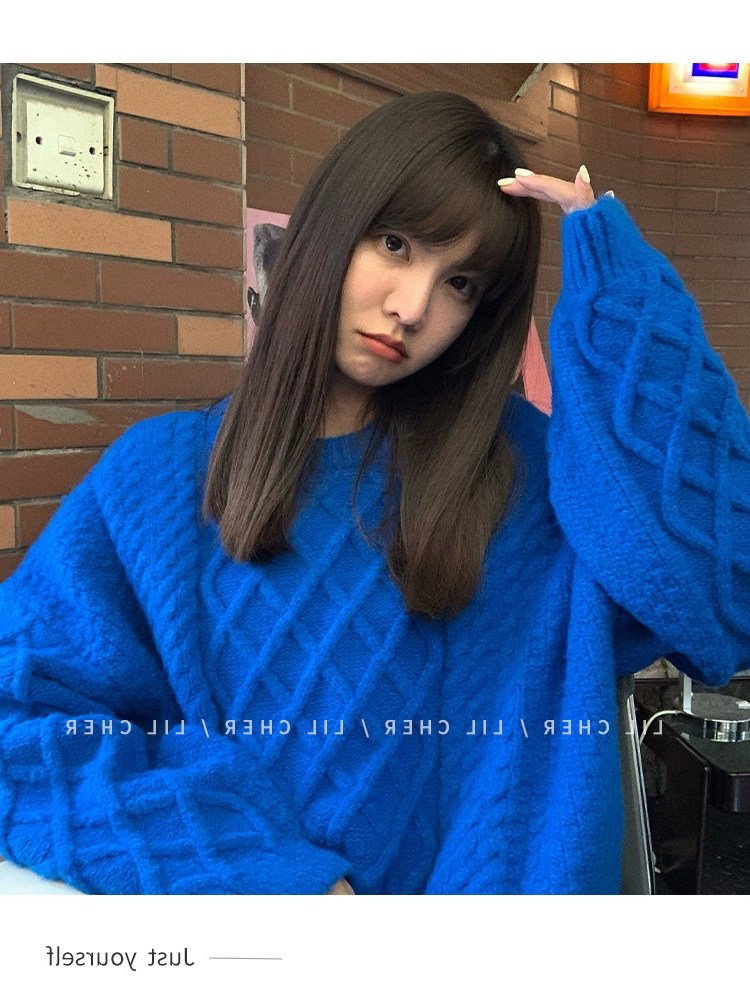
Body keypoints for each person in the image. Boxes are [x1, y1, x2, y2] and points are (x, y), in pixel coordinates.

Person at [0, 92, 748, 895]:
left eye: (461, 283)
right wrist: (266, 875)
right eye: (396, 244)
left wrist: (620, 289)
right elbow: (21, 723)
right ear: (333, 226)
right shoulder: (161, 476)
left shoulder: (535, 480)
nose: (413, 307)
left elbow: (723, 600)